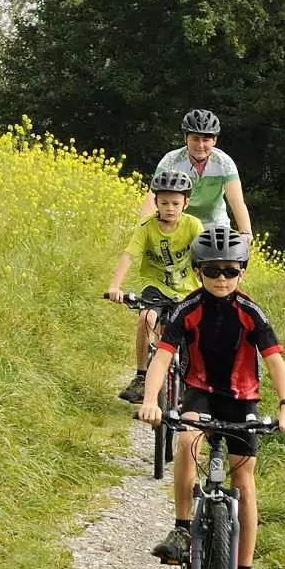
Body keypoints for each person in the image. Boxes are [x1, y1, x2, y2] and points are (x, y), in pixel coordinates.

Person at [138, 224, 285, 569]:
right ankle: (180, 527)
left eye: (231, 270)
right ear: (198, 271)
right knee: (185, 440)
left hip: (243, 399)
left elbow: (275, 361)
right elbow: (161, 358)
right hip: (200, 391)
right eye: (213, 270)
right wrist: (150, 401)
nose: (222, 278)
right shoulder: (186, 310)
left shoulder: (251, 312)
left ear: (242, 271)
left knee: (244, 482)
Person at [106, 165, 200, 403]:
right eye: (164, 202)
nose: (169, 208)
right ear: (156, 202)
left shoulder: (193, 226)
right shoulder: (147, 227)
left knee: (197, 331)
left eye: (175, 204)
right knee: (145, 318)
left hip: (187, 288)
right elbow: (129, 255)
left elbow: (204, 256)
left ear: (185, 204)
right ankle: (141, 376)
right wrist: (115, 286)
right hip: (155, 286)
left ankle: (194, 380)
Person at [144, 109, 251, 238]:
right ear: (185, 138)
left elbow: (237, 202)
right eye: (195, 139)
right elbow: (153, 196)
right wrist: (143, 228)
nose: (200, 145)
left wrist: (246, 232)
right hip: (180, 224)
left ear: (214, 140)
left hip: (215, 226)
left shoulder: (225, 163)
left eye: (206, 140)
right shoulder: (171, 160)